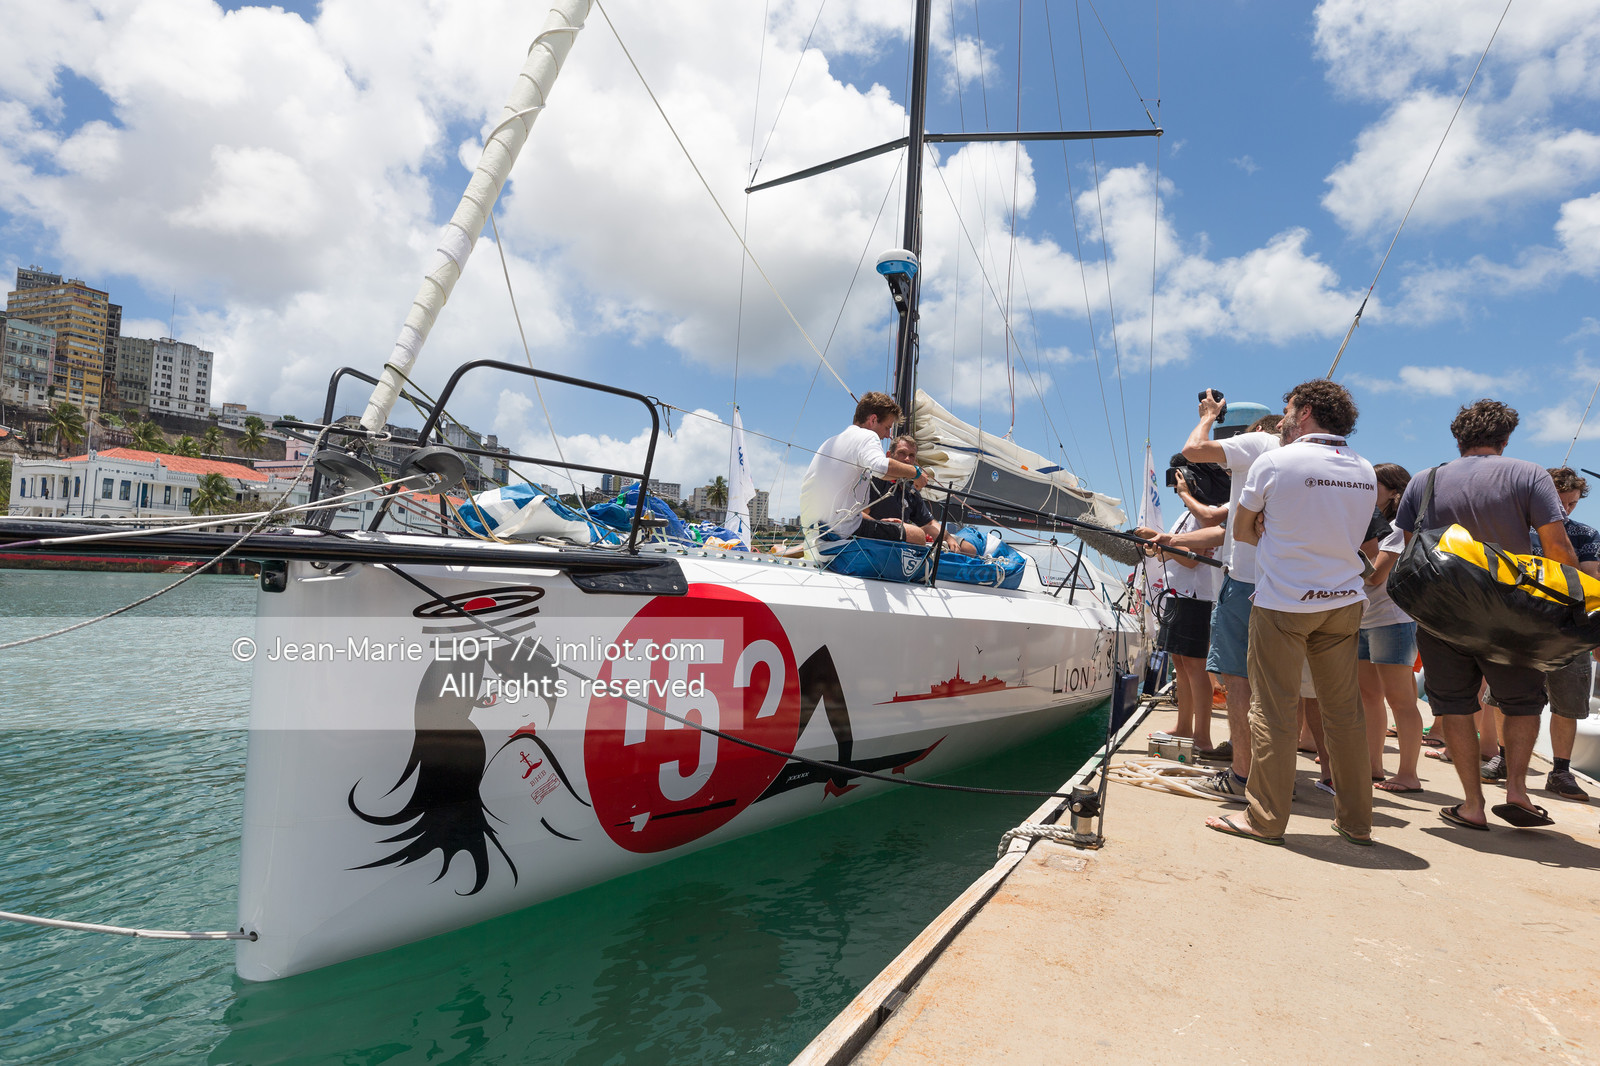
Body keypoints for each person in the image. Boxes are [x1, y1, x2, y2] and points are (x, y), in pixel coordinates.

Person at [1204, 379, 1377, 846]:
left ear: (1304, 412)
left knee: (1273, 711)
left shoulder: (1275, 461)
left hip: (1284, 602)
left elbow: (1241, 532)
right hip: (1343, 603)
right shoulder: (1364, 469)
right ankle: (1356, 822)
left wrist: (1271, 527)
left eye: (1288, 409)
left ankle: (1264, 819)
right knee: (1344, 714)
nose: (1282, 418)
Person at [1392, 399, 1577, 830]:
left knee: (1454, 704)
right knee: (1522, 702)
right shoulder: (1528, 474)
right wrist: (1565, 610)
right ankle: (1518, 792)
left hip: (1442, 610)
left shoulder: (1424, 480)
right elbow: (1558, 549)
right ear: (1505, 439)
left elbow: (1410, 549)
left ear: (1457, 438)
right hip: (1510, 613)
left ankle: (1472, 804)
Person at [1182, 393, 1282, 798]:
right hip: (1285, 583)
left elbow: (1194, 449)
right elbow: (1219, 524)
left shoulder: (1259, 445)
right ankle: (1275, 776)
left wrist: (1207, 416)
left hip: (1244, 580)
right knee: (1278, 684)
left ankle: (1242, 776)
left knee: (1237, 679)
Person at [1136, 461, 1226, 751]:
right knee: (1180, 663)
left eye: (1180, 479)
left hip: (1195, 596)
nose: (1176, 485)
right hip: (1178, 595)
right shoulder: (1187, 515)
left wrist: (1165, 547)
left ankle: (1202, 737)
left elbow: (1192, 559)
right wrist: (1155, 542)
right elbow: (1177, 552)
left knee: (1196, 667)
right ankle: (1185, 726)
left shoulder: (1205, 514)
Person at [1531, 467, 1599, 803]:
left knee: (1569, 706)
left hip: (1570, 632)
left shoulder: (1586, 534)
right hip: (1521, 628)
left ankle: (1560, 771)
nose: (1566, 509)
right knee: (1507, 699)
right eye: (1560, 502)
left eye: (1572, 503)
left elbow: (1591, 580)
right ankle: (1503, 757)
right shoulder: (1518, 529)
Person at [1359, 463, 1425, 793]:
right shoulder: (1373, 525)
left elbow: (1375, 576)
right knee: (1368, 696)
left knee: (1400, 700)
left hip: (1392, 620)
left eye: (1374, 485)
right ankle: (1373, 766)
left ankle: (1408, 774)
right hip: (1366, 618)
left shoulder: (1399, 528)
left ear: (1395, 492)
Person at [800, 392, 929, 555]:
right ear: (873, 419)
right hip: (841, 531)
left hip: (814, 531)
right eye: (887, 427)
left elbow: (882, 473)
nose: (887, 435)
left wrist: (882, 522)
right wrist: (916, 473)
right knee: (917, 535)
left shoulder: (830, 442)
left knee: (887, 527)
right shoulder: (867, 436)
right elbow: (881, 467)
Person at [868, 436, 978, 555]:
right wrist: (881, 525)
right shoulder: (875, 481)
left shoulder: (911, 491)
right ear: (889, 455)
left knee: (969, 549)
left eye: (911, 455)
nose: (907, 459)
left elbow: (930, 523)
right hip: (879, 535)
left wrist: (949, 538)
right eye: (902, 453)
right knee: (923, 532)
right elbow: (860, 515)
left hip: (905, 537)